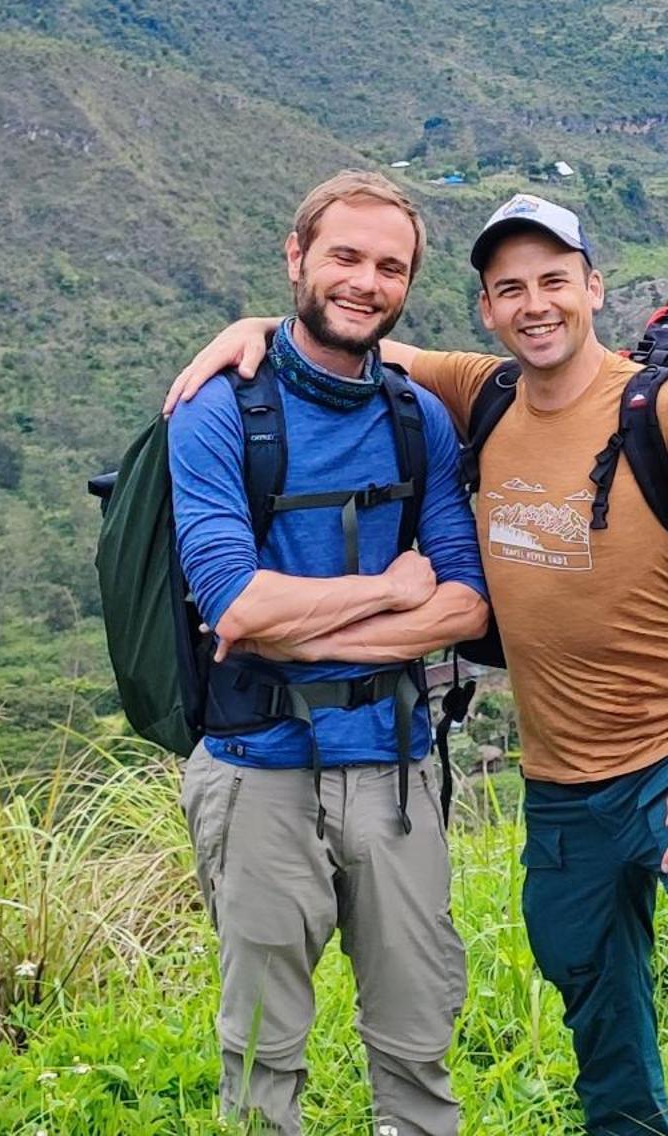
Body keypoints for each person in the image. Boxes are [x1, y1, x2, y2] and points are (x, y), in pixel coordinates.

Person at [169, 193, 668, 1136]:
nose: (536, 305)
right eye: (510, 288)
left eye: (555, 282)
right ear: (485, 308)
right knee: (591, 987)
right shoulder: (480, 395)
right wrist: (249, 328)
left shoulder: (663, 409)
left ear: (594, 288)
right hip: (562, 780)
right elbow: (344, 340)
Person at [166, 171, 488, 1136]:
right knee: (262, 1050)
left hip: (393, 766)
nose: (366, 281)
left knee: (418, 1033)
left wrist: (295, 627)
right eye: (345, 256)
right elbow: (238, 602)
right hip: (258, 764)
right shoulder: (219, 411)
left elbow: (466, 604)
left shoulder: (415, 418)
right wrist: (390, 591)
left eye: (390, 267)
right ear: (297, 258)